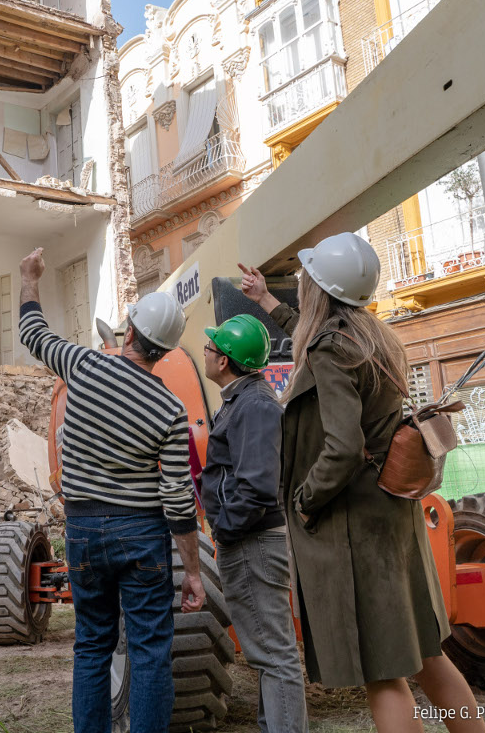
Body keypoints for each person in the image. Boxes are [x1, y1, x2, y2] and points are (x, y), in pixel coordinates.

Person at [237, 232, 485, 733]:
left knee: (383, 674)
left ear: (319, 290)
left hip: (355, 531)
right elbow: (316, 340)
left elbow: (343, 447)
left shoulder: (332, 350)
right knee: (426, 656)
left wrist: (305, 500)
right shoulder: (372, 337)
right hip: (393, 518)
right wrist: (266, 299)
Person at [17, 247, 205, 733]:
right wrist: (193, 571)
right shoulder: (170, 409)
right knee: (149, 652)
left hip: (82, 530)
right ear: (165, 350)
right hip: (142, 535)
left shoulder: (82, 365)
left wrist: (30, 278)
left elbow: (31, 333)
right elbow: (178, 499)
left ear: (130, 330)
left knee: (92, 645)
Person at [200, 314, 308, 733]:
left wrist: (225, 531)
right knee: (267, 652)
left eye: (210, 348)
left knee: (275, 654)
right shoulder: (242, 400)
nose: (206, 352)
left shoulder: (256, 405)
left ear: (225, 361)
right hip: (249, 539)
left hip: (252, 542)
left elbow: (257, 486)